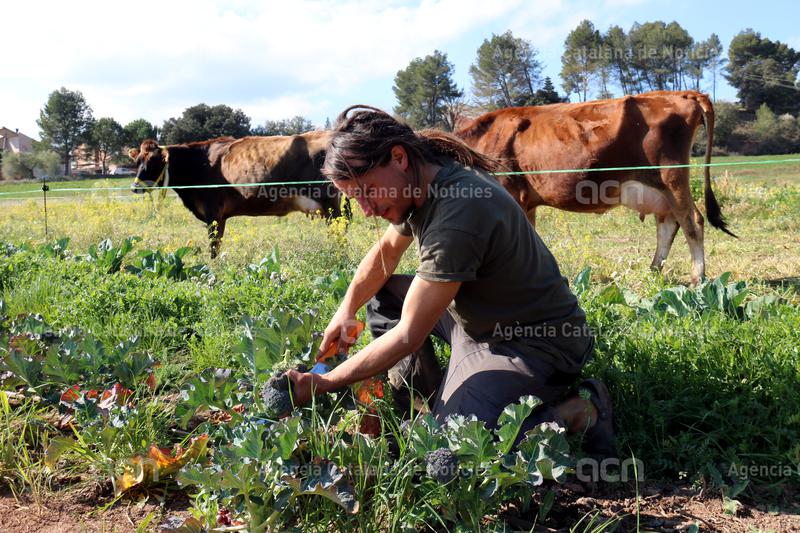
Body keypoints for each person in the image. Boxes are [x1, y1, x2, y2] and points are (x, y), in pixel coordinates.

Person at [287, 105, 614, 455]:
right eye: (356, 198)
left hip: (532, 344)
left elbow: (409, 334)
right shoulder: (418, 183)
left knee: (453, 449)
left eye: (367, 191)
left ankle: (578, 412)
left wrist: (323, 382)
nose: (366, 209)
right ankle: (422, 405)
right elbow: (385, 255)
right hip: (474, 322)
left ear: (398, 157)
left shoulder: (457, 211)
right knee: (383, 294)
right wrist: (347, 308)